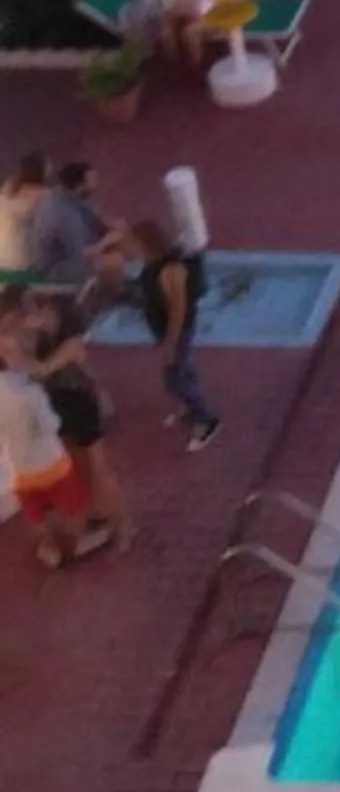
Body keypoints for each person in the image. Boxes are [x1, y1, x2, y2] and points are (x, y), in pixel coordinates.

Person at [19, 278, 132, 548]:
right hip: (59, 407)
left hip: (80, 406)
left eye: (43, 311)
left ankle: (124, 525)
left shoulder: (72, 344)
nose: (36, 316)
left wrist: (17, 356)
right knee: (78, 467)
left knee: (99, 468)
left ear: (57, 314)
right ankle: (96, 515)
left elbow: (43, 370)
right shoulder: (41, 339)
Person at [98, 218, 219, 450]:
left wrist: (170, 343)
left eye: (132, 243)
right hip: (163, 329)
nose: (129, 248)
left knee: (175, 378)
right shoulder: (151, 263)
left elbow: (178, 310)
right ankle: (190, 407)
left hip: (175, 332)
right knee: (183, 370)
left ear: (145, 243)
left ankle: (206, 419)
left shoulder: (170, 270)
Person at [0, 320, 113, 564]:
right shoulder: (32, 393)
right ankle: (81, 538)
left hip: (21, 471)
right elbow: (52, 424)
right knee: (73, 503)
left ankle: (48, 547)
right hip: (52, 464)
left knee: (35, 512)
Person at [26, 158, 105, 285]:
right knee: (110, 264)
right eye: (93, 181)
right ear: (79, 186)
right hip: (55, 270)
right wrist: (106, 242)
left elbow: (95, 219)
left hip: (65, 258)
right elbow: (80, 253)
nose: (97, 184)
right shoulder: (64, 214)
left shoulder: (65, 196)